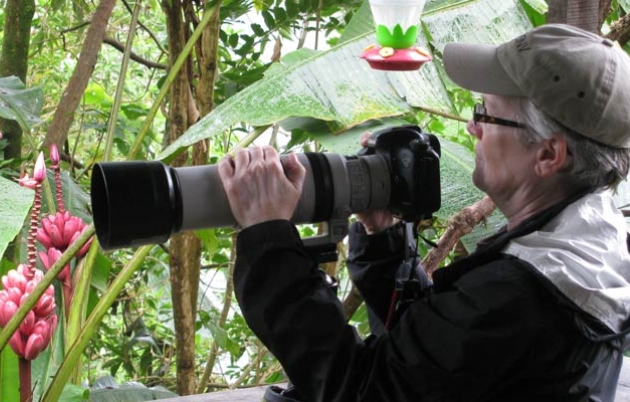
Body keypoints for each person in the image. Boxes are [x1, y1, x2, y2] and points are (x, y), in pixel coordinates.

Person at [217, 23, 630, 401]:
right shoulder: (588, 245)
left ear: (547, 154)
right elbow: (436, 366)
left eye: (484, 112)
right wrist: (384, 239)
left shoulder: (519, 295)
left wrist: (268, 237)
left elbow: (363, 390)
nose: (473, 128)